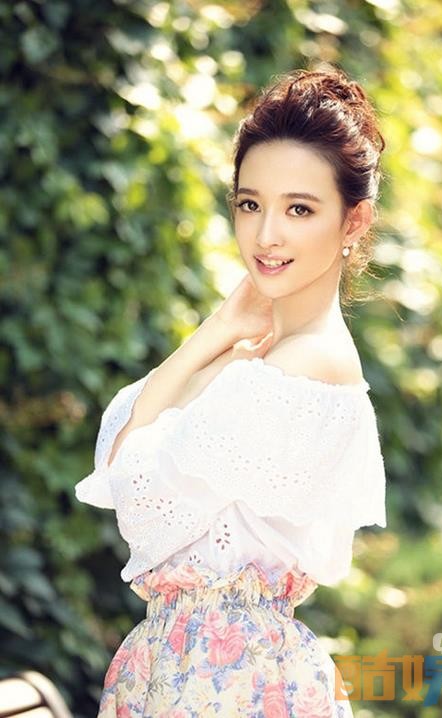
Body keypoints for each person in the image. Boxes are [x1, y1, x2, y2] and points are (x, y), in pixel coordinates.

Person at [75, 64, 388, 717]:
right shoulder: (260, 359)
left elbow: (132, 491)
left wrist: (206, 355)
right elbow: (117, 453)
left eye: (299, 209)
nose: (266, 235)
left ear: (353, 221)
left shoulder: (306, 368)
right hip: (188, 669)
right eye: (250, 204)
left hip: (231, 679)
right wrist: (215, 332)